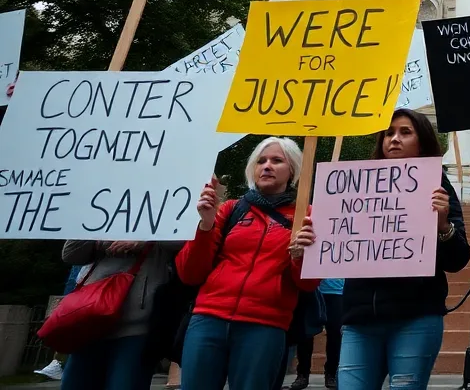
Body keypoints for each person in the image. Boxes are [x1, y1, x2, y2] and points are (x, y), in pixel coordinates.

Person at [339, 107, 470, 390]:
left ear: (421, 140)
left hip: (415, 317)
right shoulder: (357, 185)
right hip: (360, 319)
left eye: (404, 132)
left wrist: (443, 225)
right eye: (388, 133)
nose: (394, 139)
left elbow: (458, 259)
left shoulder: (439, 186)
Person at [177, 137, 317, 390]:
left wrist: (303, 256)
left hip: (264, 327)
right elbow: (189, 273)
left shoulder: (306, 216)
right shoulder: (229, 209)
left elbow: (307, 285)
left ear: (293, 170)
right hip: (208, 320)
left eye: (276, 161)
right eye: (261, 161)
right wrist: (205, 225)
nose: (266, 166)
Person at [56, 240, 181, 389]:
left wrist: (146, 240)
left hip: (137, 327)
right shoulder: (96, 221)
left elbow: (185, 240)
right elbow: (70, 253)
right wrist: (103, 241)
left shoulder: (162, 222)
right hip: (91, 323)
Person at [289, 278, 343, 390]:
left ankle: (331, 373)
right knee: (306, 333)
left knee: (336, 334)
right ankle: (303, 374)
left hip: (337, 290)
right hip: (312, 289)